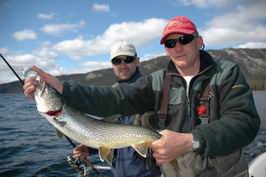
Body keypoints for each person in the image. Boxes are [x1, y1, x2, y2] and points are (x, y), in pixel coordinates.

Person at [24, 16, 260, 177]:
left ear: (199, 41)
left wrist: (190, 141)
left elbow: (245, 123)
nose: (177, 46)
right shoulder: (155, 82)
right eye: (170, 42)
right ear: (165, 49)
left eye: (184, 39)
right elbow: (113, 99)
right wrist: (63, 88)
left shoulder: (227, 73)